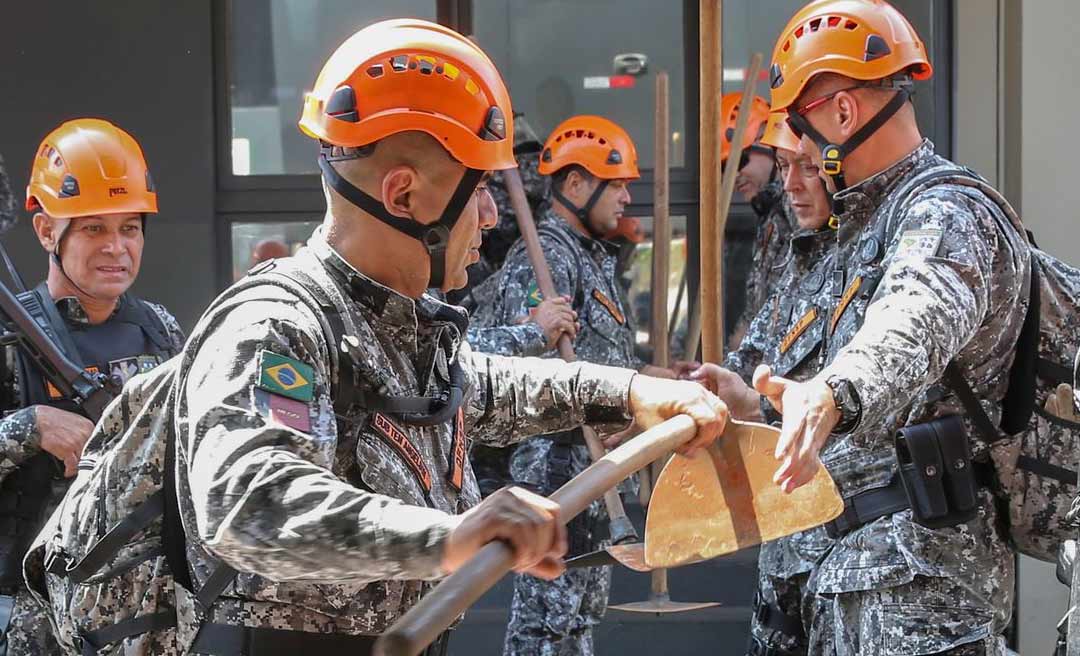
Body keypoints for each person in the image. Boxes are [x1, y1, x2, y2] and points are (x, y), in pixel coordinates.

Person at [171, 20, 727, 655]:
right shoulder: (276, 324)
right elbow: (250, 501)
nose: (492, 219)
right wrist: (449, 538)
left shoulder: (402, 325)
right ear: (403, 194)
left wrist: (630, 392)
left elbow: (487, 386)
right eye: (480, 190)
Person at [708, 1, 1029, 652]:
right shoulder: (850, 234)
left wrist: (833, 394)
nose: (794, 155)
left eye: (801, 126)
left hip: (913, 601)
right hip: (830, 588)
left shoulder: (946, 211)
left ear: (843, 114)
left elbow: (915, 320)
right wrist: (751, 404)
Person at [486, 115, 673, 656]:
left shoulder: (588, 257)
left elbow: (603, 360)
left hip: (595, 470)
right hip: (556, 469)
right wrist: (534, 330)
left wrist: (662, 381)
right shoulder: (543, 258)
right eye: (616, 184)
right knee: (547, 623)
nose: (627, 197)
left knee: (578, 623)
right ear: (574, 185)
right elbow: (501, 360)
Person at [0, 118, 184, 655]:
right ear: (46, 232)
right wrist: (29, 428)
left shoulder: (161, 329)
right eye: (93, 228)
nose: (116, 248)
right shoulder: (12, 339)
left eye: (130, 227)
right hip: (33, 619)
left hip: (144, 612)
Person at [694, 111, 835, 655]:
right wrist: (712, 388)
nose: (791, 185)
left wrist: (757, 402)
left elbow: (851, 403)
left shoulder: (875, 258)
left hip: (847, 542)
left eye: (806, 167)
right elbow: (757, 346)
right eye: (783, 167)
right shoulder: (802, 259)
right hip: (785, 536)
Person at [724, 93, 796, 348]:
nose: (734, 176)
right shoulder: (770, 213)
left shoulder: (798, 201)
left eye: (739, 162)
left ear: (766, 142)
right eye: (725, 168)